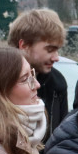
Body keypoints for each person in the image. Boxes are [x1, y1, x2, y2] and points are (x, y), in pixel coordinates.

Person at [8, 8, 67, 142]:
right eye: (50, 50)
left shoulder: (57, 82)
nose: (56, 58)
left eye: (57, 50)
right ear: (24, 45)